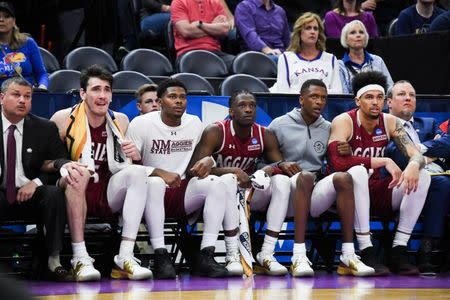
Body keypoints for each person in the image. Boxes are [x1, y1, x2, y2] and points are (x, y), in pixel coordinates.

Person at [51, 65, 158, 281]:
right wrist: (66, 166)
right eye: (96, 89)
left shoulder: (121, 120)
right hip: (72, 187)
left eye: (107, 90)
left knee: (137, 173)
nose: (102, 96)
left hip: (105, 189)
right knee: (78, 173)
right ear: (83, 93)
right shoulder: (62, 119)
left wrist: (135, 155)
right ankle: (80, 258)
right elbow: (47, 161)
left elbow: (128, 165)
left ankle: (125, 256)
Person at [126, 78, 235, 278]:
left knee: (217, 184)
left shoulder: (194, 123)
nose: (179, 101)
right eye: (172, 97)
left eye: (183, 97)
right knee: (156, 182)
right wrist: (160, 172)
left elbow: (199, 161)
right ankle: (161, 256)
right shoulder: (141, 124)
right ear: (159, 102)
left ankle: (207, 255)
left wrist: (208, 161)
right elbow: (130, 168)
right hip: (147, 193)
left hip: (183, 192)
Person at [327, 71, 431, 275]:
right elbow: (337, 162)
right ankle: (366, 249)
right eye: (369, 97)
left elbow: (415, 154)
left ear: (385, 100)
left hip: (375, 190)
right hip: (345, 194)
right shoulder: (344, 121)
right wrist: (384, 160)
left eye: (379, 97)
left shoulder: (391, 121)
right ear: (357, 100)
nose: (375, 102)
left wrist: (413, 164)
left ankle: (398, 249)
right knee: (357, 172)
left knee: (423, 175)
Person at [269, 79, 374, 277]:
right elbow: (266, 163)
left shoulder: (328, 127)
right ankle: (298, 256)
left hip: (314, 193)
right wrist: (281, 165)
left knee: (343, 178)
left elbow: (335, 164)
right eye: (314, 97)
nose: (319, 102)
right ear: (301, 99)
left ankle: (348, 255)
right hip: (285, 194)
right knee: (305, 177)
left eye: (324, 98)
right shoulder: (278, 125)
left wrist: (345, 151)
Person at [187, 90, 293, 276]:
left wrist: (269, 169)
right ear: (231, 111)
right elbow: (194, 170)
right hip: (217, 194)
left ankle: (267, 253)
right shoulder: (215, 131)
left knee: (282, 181)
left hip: (247, 194)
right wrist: (232, 170)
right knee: (229, 179)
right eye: (242, 105)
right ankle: (232, 255)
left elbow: (280, 164)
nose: (248, 109)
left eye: (252, 105)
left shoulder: (264, 134)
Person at [0, 77, 70, 281]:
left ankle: (53, 260)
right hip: (2, 193)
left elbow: (61, 162)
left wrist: (36, 182)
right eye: (16, 95)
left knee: (54, 193)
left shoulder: (45, 127)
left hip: (30, 194)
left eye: (27, 96)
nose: (22, 100)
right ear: (2, 98)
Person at [385, 80, 450, 275]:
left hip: (438, 175)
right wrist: (433, 151)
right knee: (441, 183)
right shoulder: (384, 124)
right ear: (389, 101)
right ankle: (422, 250)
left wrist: (416, 152)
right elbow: (394, 153)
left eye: (412, 95)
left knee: (441, 182)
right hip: (400, 181)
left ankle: (432, 250)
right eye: (402, 94)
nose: (408, 98)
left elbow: (448, 144)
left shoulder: (427, 123)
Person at [270, 13, 342, 94]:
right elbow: (283, 92)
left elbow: (337, 92)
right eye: (308, 28)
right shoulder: (285, 58)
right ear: (299, 32)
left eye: (315, 29)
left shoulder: (331, 59)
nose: (312, 32)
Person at [170, 0, 235, 71]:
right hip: (189, 53)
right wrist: (213, 26)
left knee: (239, 64)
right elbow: (186, 31)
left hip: (215, 53)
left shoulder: (215, 2)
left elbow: (224, 30)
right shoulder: (179, 2)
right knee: (210, 69)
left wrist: (200, 24)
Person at [0, 2, 48, 89]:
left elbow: (41, 73)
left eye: (6, 16)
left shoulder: (28, 43)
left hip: (27, 96)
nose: (1, 20)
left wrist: (42, 88)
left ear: (14, 21)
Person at [339, 20, 393, 94]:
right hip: (352, 105)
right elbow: (343, 95)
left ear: (366, 38)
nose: (358, 35)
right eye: (353, 32)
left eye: (361, 32)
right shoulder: (340, 65)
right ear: (345, 39)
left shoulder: (377, 60)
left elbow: (390, 89)